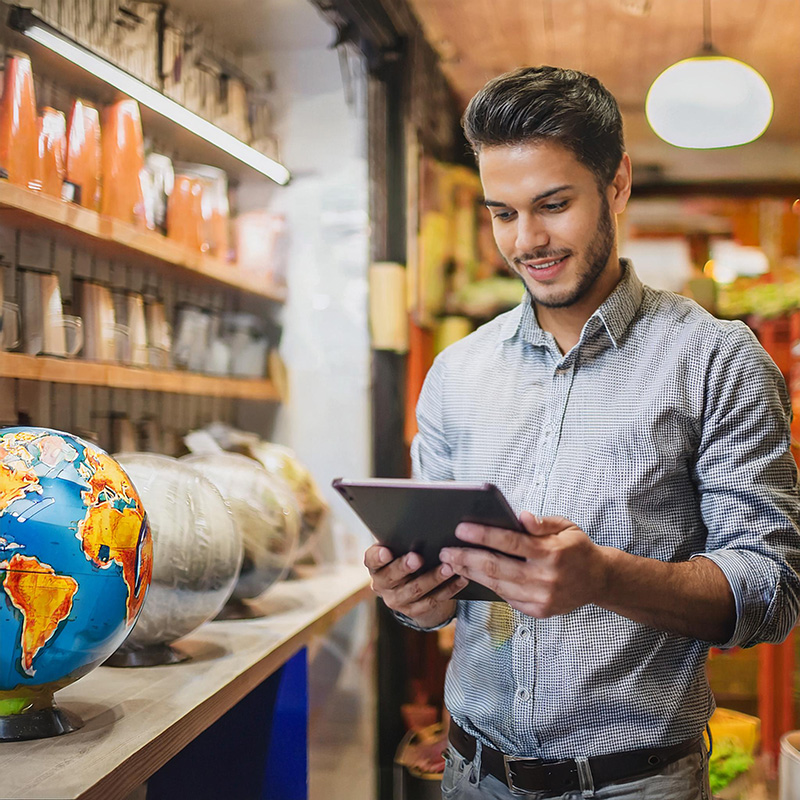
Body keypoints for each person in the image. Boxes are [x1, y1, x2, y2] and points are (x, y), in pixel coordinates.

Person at [364, 66, 800, 800]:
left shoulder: (718, 360)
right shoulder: (457, 372)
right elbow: (438, 594)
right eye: (502, 213)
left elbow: (774, 589)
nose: (527, 240)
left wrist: (603, 578)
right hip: (473, 776)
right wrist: (412, 594)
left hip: (637, 785)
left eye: (554, 205)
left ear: (618, 184)